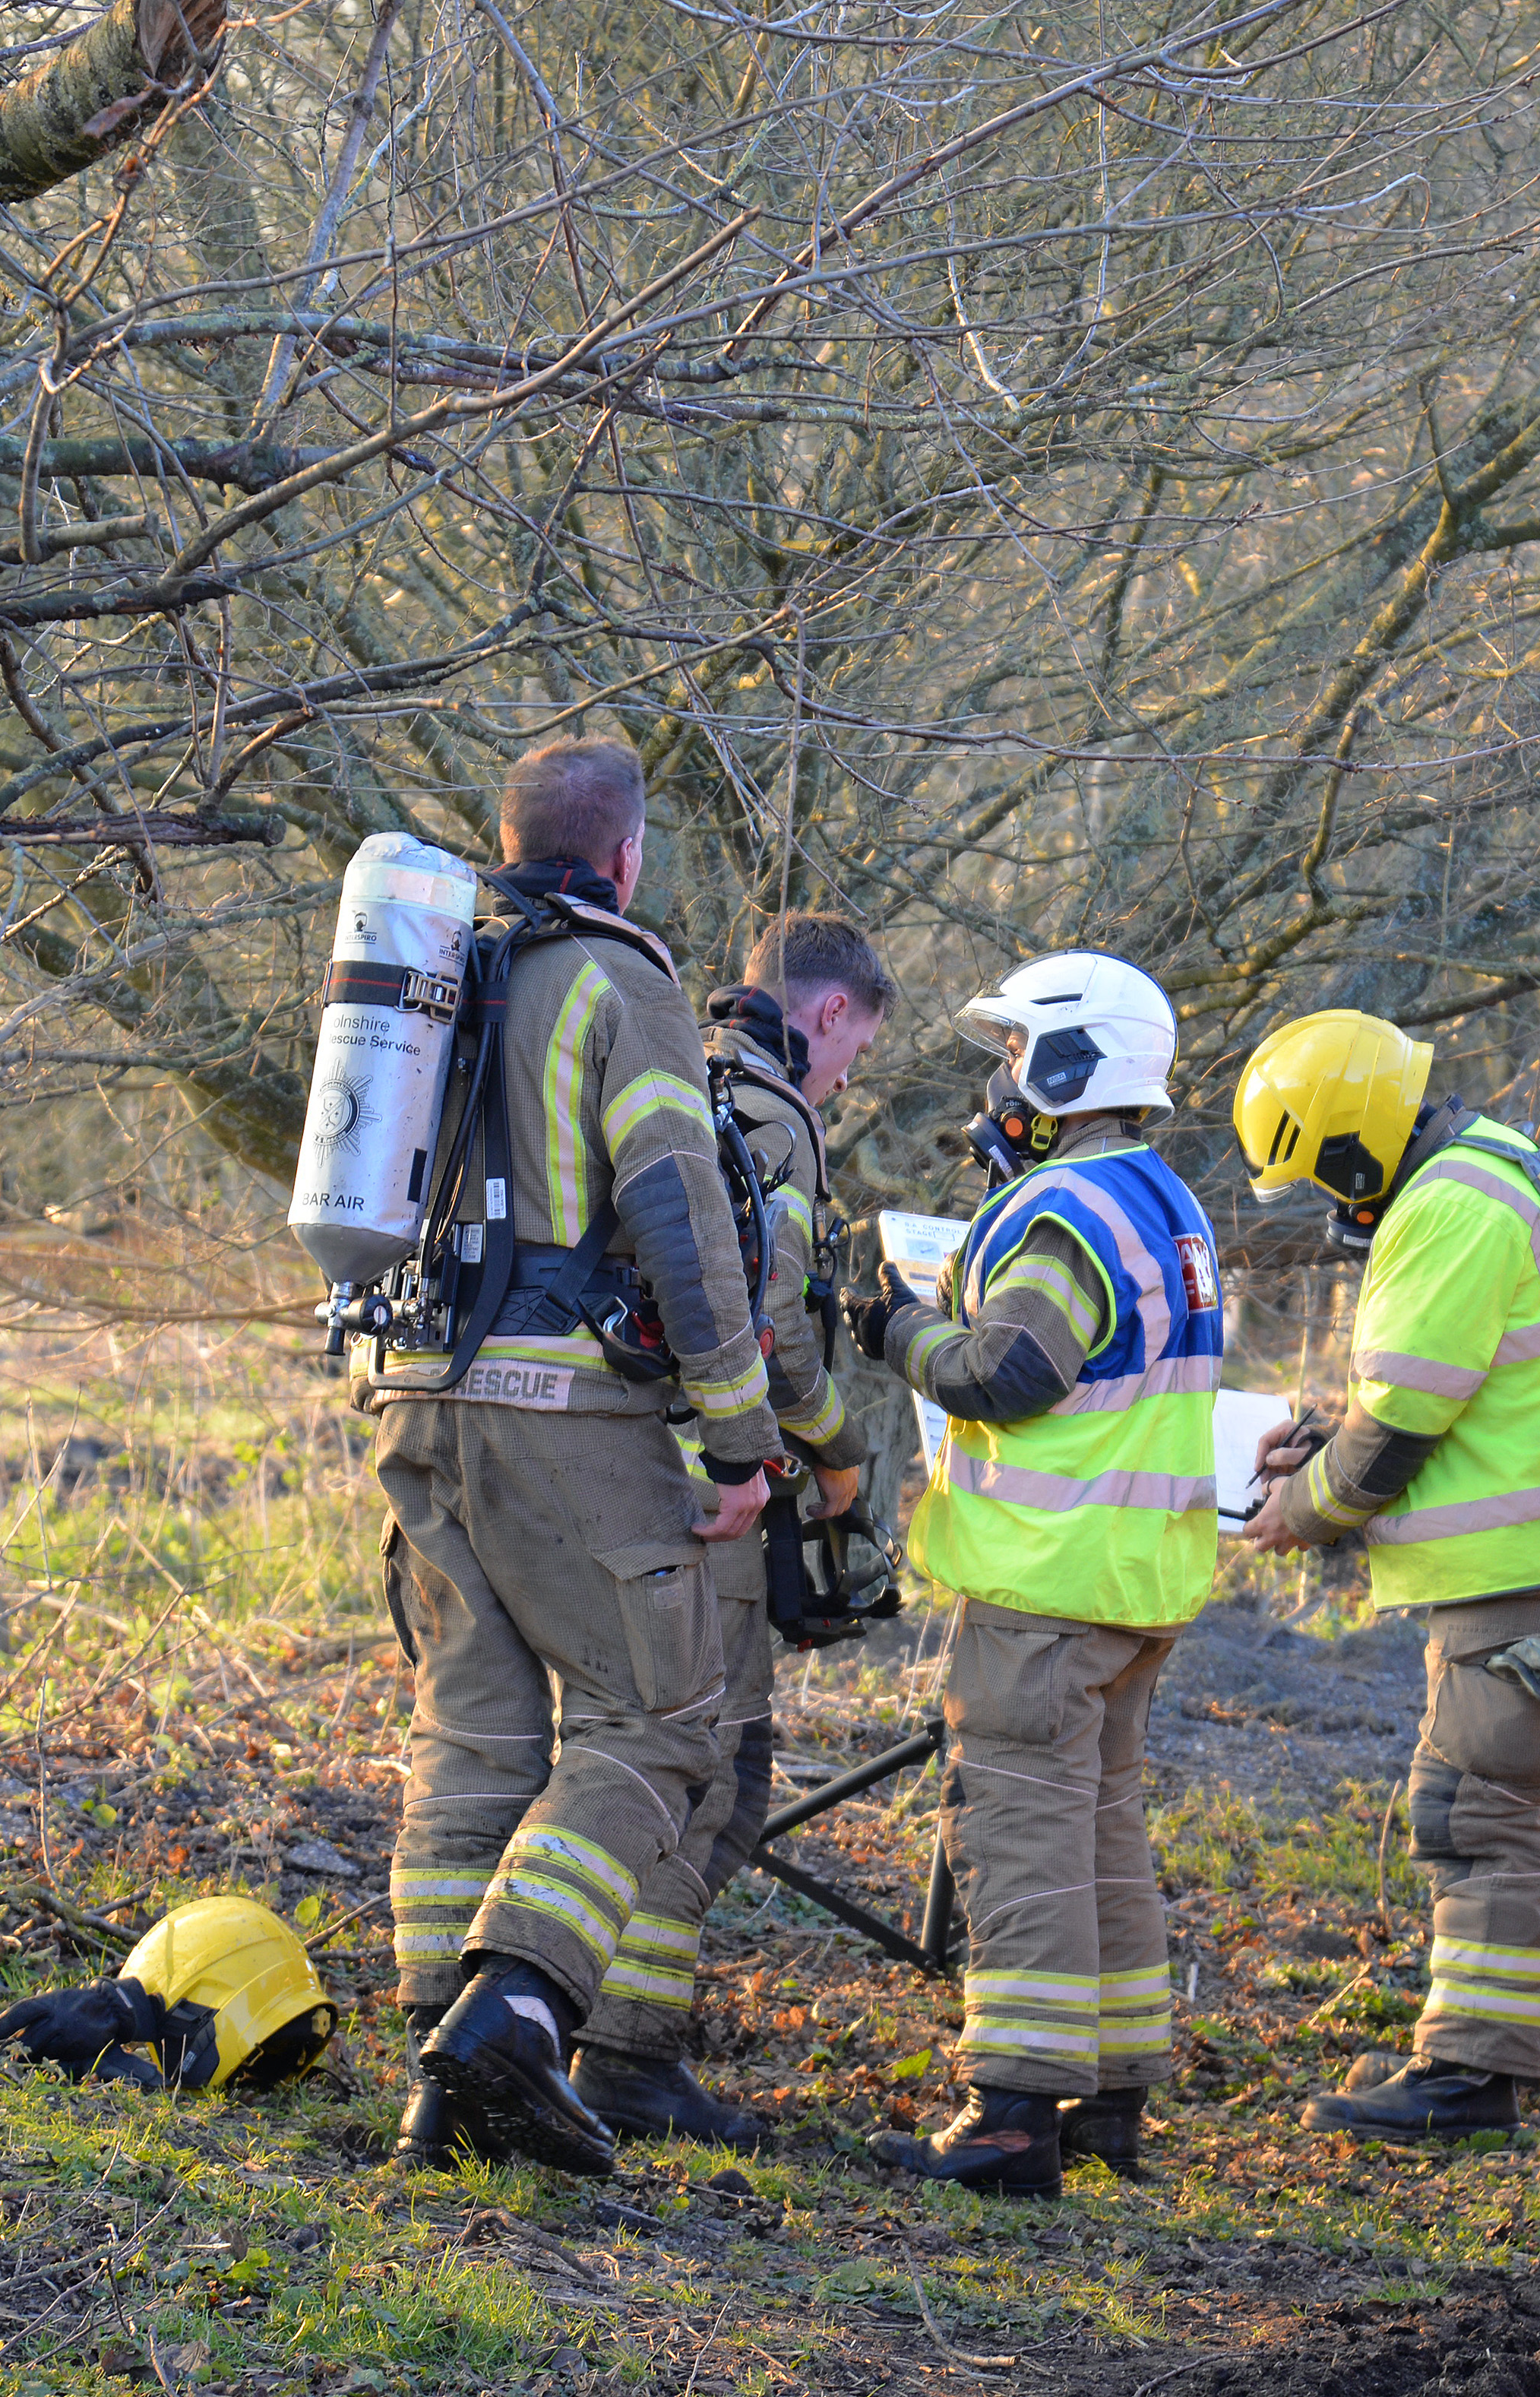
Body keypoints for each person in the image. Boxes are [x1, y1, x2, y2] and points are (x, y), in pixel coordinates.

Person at [360, 735, 782, 2177]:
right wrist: (742, 1435)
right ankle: (516, 2013)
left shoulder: (437, 974)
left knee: (473, 1726)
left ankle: (443, 2068)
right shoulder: (625, 978)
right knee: (658, 1721)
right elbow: (682, 1215)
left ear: (504, 835)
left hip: (414, 1395)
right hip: (568, 1411)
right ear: (628, 855)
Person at [1227, 1009, 1540, 2139]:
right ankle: (1513, 2044)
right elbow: (1450, 1393)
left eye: (1318, 1178)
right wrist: (1331, 1441)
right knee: (1532, 1805)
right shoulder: (1490, 1164)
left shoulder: (1447, 1206)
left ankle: (1471, 2074)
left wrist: (1301, 1509)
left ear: (1350, 1144)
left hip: (1527, 1571)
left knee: (1477, 1808)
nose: (1328, 1211)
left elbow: (1404, 1425)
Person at [846, 952, 1222, 2199]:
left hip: (1047, 1586)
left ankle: (1011, 2112)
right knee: (1102, 1831)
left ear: (1069, 1062)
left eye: (1015, 1052)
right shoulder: (1165, 1200)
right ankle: (1108, 2098)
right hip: (1128, 1586)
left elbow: (1010, 1372)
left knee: (1019, 1835)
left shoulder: (1068, 1212)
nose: (1000, 1079)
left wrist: (892, 1327)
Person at [570, 912, 896, 2147]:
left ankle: (588, 2026)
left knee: (651, 1752)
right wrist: (838, 1458)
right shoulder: (772, 1116)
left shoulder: (676, 1068)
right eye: (856, 1046)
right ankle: (629, 2055)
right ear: (824, 1015)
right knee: (716, 1773)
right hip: (716, 1483)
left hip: (622, 1467)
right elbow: (778, 1327)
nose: (852, 1073)